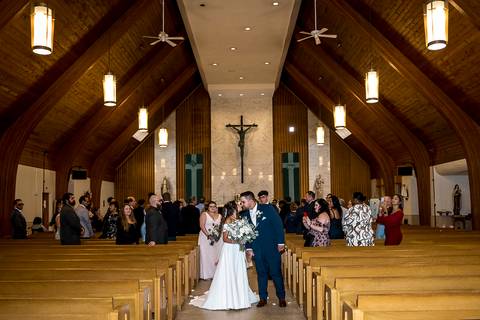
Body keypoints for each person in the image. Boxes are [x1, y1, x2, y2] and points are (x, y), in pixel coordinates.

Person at [190, 201, 258, 310]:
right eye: (238, 205)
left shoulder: (239, 219)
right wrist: (238, 241)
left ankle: (240, 295)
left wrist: (245, 238)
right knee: (230, 271)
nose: (240, 205)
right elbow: (225, 239)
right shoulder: (228, 220)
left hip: (237, 250)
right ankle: (230, 297)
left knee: (238, 271)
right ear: (234, 208)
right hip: (230, 250)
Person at [240, 191, 286, 308]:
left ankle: (281, 297)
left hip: (271, 247)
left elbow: (278, 225)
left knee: (276, 273)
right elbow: (246, 234)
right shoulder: (244, 214)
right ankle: (263, 298)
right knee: (261, 274)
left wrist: (281, 242)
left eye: (243, 201)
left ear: (251, 200)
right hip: (256, 248)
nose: (242, 204)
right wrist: (248, 248)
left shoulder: (268, 209)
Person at [198, 201, 223, 280]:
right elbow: (202, 226)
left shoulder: (220, 216)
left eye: (214, 206)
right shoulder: (204, 214)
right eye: (211, 206)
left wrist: (218, 235)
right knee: (206, 255)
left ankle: (216, 274)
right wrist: (208, 235)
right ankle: (207, 275)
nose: (213, 208)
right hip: (205, 238)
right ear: (207, 208)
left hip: (217, 238)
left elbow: (221, 226)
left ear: (216, 207)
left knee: (216, 255)